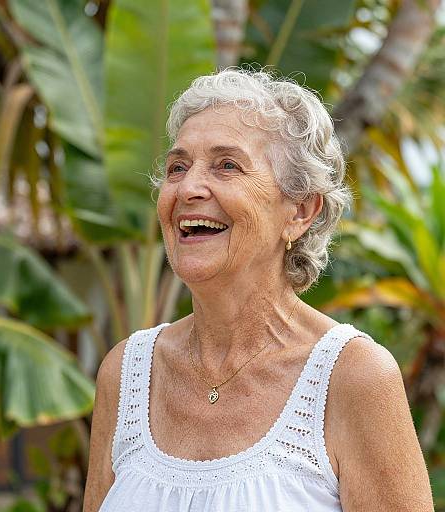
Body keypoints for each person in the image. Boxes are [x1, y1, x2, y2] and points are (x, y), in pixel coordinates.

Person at [83, 69, 434, 511]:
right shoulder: (127, 373)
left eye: (227, 165)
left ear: (300, 211)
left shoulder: (353, 377)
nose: (188, 187)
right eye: (177, 167)